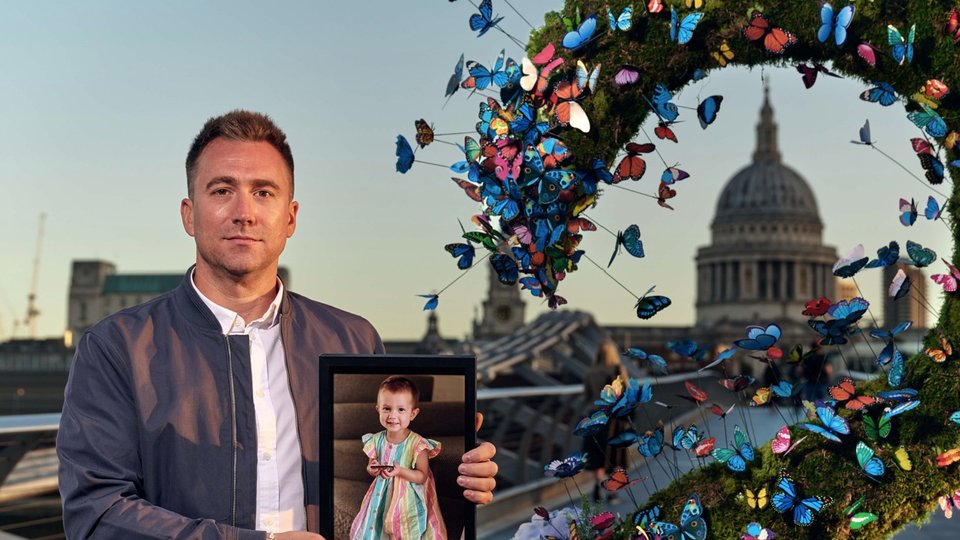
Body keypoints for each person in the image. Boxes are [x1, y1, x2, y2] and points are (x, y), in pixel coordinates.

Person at [57, 111, 498, 540]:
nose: (243, 212)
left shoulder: (352, 338)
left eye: (264, 192)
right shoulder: (115, 348)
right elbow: (96, 514)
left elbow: (382, 483)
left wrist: (459, 478)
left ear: (290, 218)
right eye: (222, 190)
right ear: (189, 215)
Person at [351, 376, 446, 540]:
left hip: (405, 496)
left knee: (402, 529)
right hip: (381, 492)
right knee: (375, 524)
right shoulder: (375, 439)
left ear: (413, 414)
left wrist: (400, 471)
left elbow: (422, 476)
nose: (392, 416)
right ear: (378, 409)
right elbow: (370, 466)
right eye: (387, 408)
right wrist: (372, 468)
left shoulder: (418, 444)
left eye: (401, 410)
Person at [580, 339, 629, 504]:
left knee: (596, 454)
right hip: (612, 419)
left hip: (593, 416)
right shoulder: (617, 370)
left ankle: (597, 487)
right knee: (613, 455)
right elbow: (626, 393)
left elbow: (586, 396)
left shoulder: (591, 372)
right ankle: (612, 492)